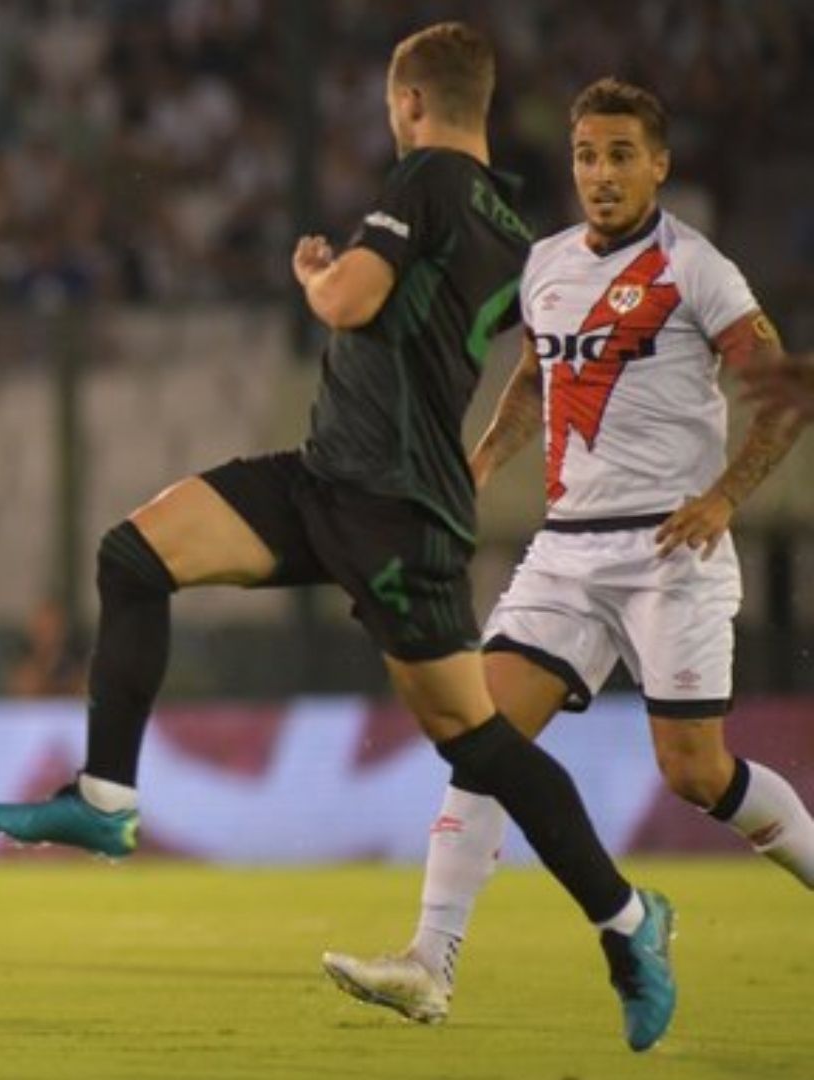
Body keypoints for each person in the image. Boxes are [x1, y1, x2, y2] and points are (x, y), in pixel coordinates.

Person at [0, 25, 678, 1051]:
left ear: (408, 102)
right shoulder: (510, 222)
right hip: (329, 477)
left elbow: (352, 298)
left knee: (477, 740)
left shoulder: (430, 176)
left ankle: (628, 926)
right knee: (135, 553)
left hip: (394, 506)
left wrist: (316, 272)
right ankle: (106, 795)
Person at [322, 77, 813, 1025]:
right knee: (481, 741)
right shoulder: (547, 264)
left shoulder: (697, 269)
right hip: (567, 553)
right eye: (588, 155)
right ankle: (431, 961)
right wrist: (478, 464)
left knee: (697, 772)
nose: (601, 173)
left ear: (660, 166)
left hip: (672, 547)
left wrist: (724, 496)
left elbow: (780, 390)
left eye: (622, 155)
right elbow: (538, 378)